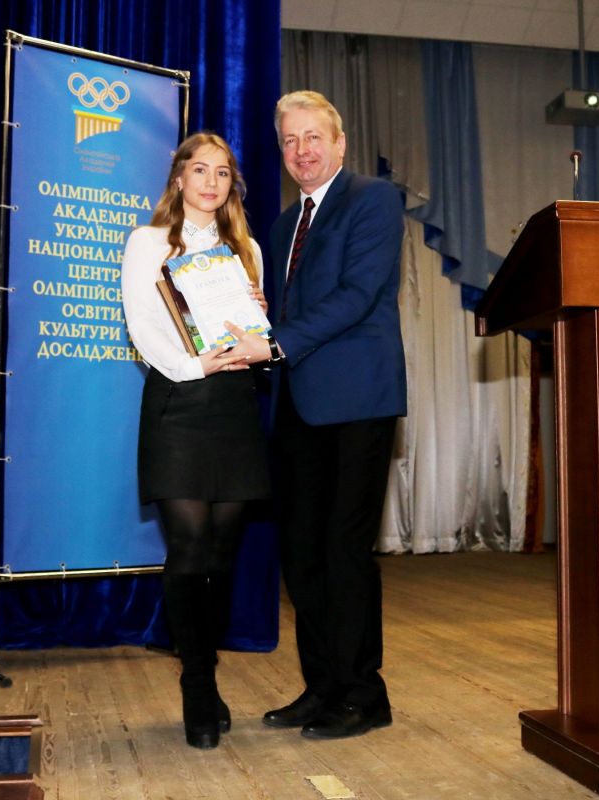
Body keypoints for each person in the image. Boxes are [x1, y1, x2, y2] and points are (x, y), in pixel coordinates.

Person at [226, 90, 407, 739]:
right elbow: (288, 315)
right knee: (302, 553)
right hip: (296, 403)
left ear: (339, 143)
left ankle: (363, 694)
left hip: (358, 400)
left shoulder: (374, 199)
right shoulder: (280, 227)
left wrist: (273, 341)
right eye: (289, 140)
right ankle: (322, 686)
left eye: (312, 137)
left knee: (343, 550)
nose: (301, 151)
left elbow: (358, 295)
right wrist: (253, 316)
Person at [120, 132, 269, 750]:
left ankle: (205, 666)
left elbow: (254, 338)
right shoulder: (148, 241)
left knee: (221, 557)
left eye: (223, 172)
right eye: (200, 169)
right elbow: (141, 324)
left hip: (233, 405)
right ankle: (198, 684)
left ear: (233, 184)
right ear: (179, 177)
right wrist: (192, 367)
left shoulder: (246, 250)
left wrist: (258, 320)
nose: (211, 181)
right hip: (178, 403)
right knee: (188, 548)